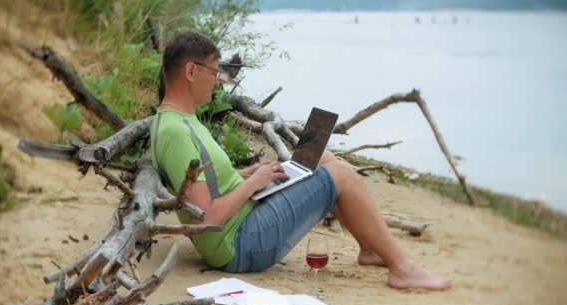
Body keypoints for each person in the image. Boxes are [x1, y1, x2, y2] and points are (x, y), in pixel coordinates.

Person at [151, 31, 451, 290]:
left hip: (243, 222)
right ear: (191, 71)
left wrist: (246, 175)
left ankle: (370, 249)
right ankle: (402, 268)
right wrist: (255, 182)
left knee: (323, 159)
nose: (218, 81)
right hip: (239, 245)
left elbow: (202, 188)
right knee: (342, 175)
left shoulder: (181, 120)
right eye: (214, 72)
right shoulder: (175, 132)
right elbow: (205, 217)